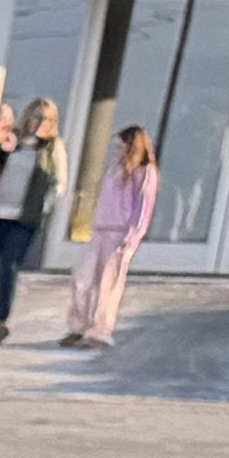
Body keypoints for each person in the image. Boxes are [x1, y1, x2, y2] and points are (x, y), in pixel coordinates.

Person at [64, 121, 160, 348]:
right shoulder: (115, 170)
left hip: (121, 234)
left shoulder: (145, 173)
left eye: (121, 147)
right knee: (82, 277)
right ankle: (78, 326)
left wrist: (132, 236)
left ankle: (100, 331)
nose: (117, 151)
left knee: (108, 283)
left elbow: (143, 207)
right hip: (100, 230)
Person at [0, 97, 63, 345]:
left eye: (48, 119)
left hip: (25, 216)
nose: (42, 122)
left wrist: (44, 206)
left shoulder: (51, 148)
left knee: (8, 264)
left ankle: (1, 320)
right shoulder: (12, 143)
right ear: (28, 117)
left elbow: (59, 182)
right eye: (38, 116)